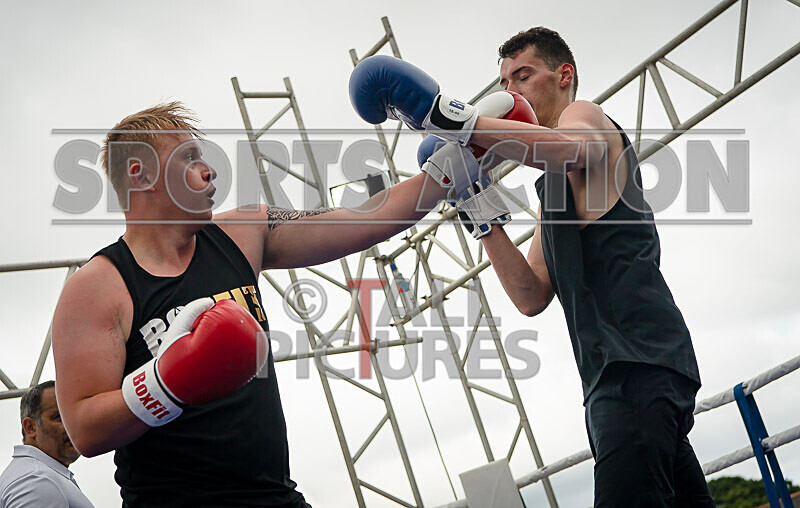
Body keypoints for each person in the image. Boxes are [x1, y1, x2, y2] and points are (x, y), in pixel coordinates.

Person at [51, 97, 531, 506]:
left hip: (275, 497)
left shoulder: (243, 231)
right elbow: (84, 430)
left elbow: (359, 218)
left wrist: (454, 165)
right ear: (141, 175)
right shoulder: (98, 285)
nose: (209, 169)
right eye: (189, 158)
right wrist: (165, 382)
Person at [349, 27, 716, 507]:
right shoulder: (552, 190)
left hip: (635, 363)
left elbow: (570, 148)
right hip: (617, 372)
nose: (512, 92)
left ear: (564, 75)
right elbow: (530, 294)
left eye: (523, 76)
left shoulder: (584, 117)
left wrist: (450, 119)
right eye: (504, 83)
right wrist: (472, 205)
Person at [0, 381, 93, 507]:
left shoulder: (37, 475)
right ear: (31, 427)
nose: (73, 425)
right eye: (59, 417)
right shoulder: (35, 481)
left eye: (74, 415)